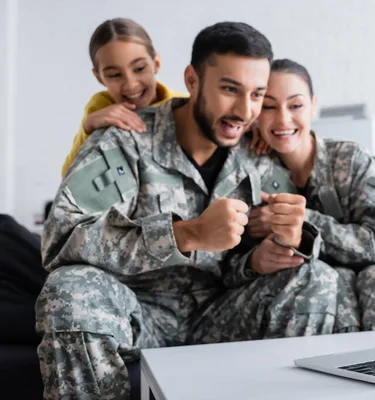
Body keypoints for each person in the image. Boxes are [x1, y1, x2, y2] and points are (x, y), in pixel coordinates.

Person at [36, 23, 340, 399]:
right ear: (192, 80)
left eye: (257, 94)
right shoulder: (123, 140)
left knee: (317, 279)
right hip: (137, 314)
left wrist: (281, 246)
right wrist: (186, 234)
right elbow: (60, 237)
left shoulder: (257, 152)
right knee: (69, 289)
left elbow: (253, 261)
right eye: (230, 89)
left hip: (221, 315)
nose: (245, 111)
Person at [246, 59, 375, 332]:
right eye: (268, 106)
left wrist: (301, 222)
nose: (282, 119)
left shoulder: (351, 160)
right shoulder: (250, 165)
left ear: (313, 105)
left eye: (296, 105)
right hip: (303, 304)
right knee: (331, 280)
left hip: (372, 291)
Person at [61, 18, 187, 177]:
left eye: (139, 68)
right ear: (99, 77)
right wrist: (88, 127)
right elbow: (70, 179)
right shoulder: (101, 106)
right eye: (115, 75)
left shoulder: (184, 106)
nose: (130, 84)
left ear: (156, 63)